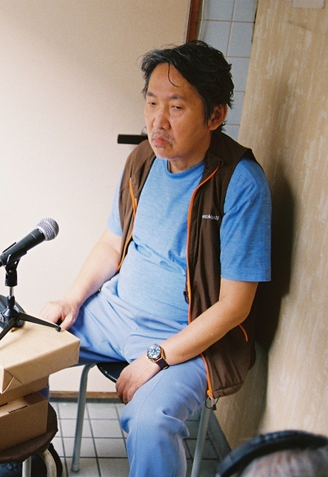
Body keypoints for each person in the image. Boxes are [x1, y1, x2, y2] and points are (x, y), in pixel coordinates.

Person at [36, 40, 272, 477]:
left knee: (149, 424)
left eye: (176, 107)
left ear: (215, 116)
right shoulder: (143, 160)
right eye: (151, 103)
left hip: (188, 337)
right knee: (23, 354)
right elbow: (112, 245)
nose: (157, 121)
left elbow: (235, 306)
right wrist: (72, 299)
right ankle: (26, 465)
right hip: (114, 313)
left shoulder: (241, 183)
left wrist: (159, 355)